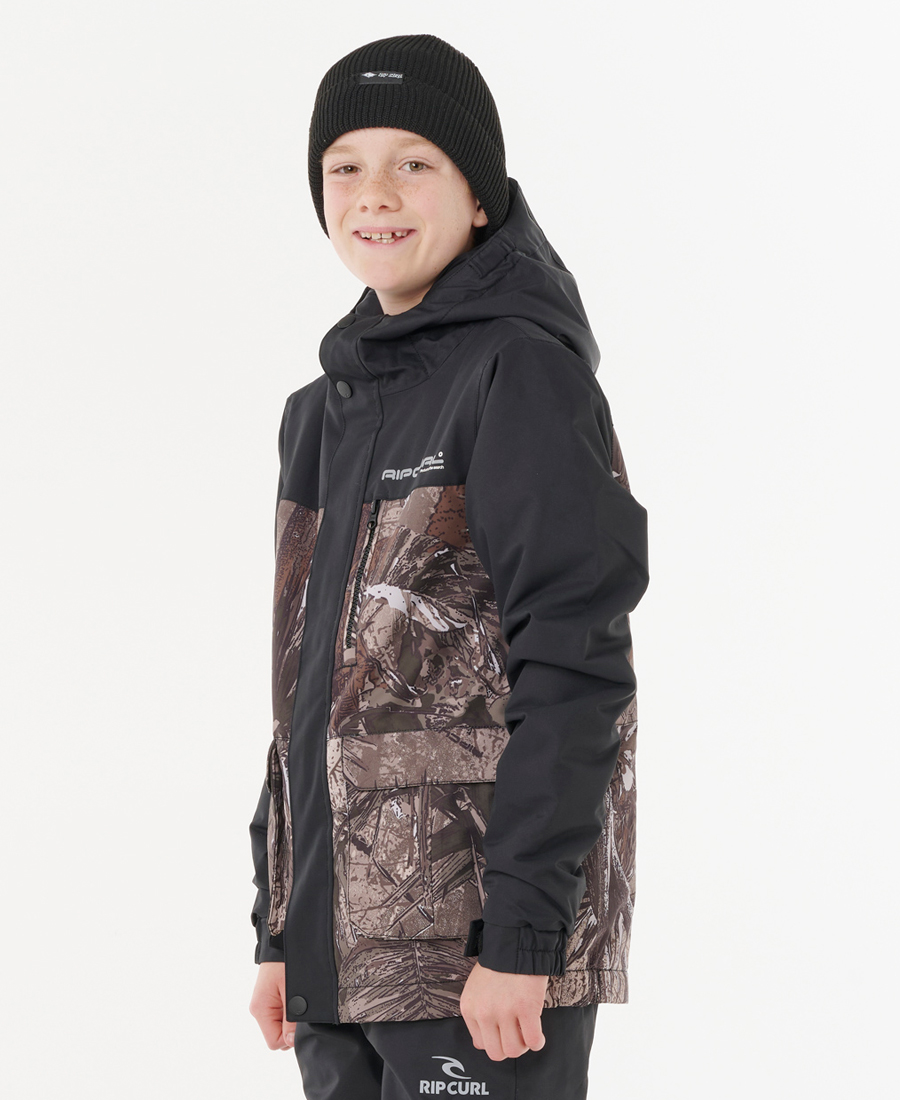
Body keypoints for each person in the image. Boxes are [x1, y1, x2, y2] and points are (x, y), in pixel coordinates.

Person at [247, 33, 650, 1099]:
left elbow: (576, 664)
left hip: (478, 961)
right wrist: (281, 926)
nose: (373, 193)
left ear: (479, 196)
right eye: (345, 165)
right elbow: (305, 694)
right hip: (340, 961)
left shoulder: (523, 375)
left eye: (413, 162)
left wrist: (522, 935)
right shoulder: (320, 412)